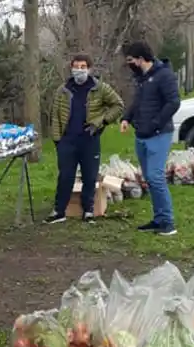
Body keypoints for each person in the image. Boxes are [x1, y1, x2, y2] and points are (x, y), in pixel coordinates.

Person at [45, 54, 124, 224]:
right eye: (76, 67)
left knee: (89, 176)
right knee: (65, 176)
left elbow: (118, 105)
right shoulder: (63, 90)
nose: (79, 70)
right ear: (71, 68)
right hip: (67, 140)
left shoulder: (100, 88)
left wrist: (102, 121)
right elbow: (55, 117)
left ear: (89, 69)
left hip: (89, 139)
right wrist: (57, 140)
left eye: (83, 67)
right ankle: (59, 211)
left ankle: (88, 210)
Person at [120, 41, 181, 236]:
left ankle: (168, 223)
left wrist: (155, 124)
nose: (129, 64)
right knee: (149, 179)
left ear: (140, 59)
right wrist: (126, 118)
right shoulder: (142, 78)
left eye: (130, 60)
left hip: (158, 134)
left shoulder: (164, 75)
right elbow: (138, 102)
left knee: (156, 177)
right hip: (141, 135)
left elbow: (173, 102)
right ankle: (158, 219)